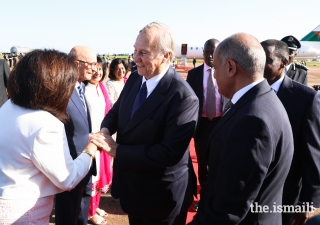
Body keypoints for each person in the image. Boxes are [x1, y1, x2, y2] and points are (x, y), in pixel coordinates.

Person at [94, 22, 199, 225]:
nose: (135, 58)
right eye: (134, 50)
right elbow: (116, 112)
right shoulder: (134, 79)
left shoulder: (183, 96)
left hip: (160, 196)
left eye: (143, 52)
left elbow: (169, 152)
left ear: (166, 56)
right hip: (132, 189)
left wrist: (117, 150)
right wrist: (105, 130)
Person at [189, 33, 294, 225]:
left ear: (230, 67)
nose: (213, 74)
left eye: (215, 69)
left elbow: (227, 210)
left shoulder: (252, 121)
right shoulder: (263, 101)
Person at [0, 49, 99, 224]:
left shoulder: (8, 106)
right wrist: (90, 150)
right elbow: (68, 179)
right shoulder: (46, 124)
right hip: (24, 213)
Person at [261, 39, 320, 225]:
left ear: (284, 63)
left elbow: (313, 153)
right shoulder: (247, 91)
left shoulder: (307, 99)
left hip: (287, 194)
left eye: (267, 60)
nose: (260, 65)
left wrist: (309, 202)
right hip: (250, 190)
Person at [55, 46, 98, 225]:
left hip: (86, 164)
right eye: (90, 64)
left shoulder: (81, 88)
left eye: (95, 64)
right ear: (75, 64)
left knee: (81, 215)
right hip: (70, 167)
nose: (94, 69)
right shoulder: (61, 91)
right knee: (68, 217)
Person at [186, 38, 228, 212]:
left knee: (222, 163)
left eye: (214, 52)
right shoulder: (193, 75)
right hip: (202, 126)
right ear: (203, 53)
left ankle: (219, 198)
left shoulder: (228, 72)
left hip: (223, 124)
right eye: (207, 52)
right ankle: (204, 198)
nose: (210, 56)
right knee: (203, 164)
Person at [84, 56, 113, 225]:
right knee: (92, 178)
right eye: (94, 69)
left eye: (100, 69)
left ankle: (95, 207)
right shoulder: (83, 88)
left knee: (100, 175)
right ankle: (89, 212)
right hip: (90, 139)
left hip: (102, 137)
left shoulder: (101, 87)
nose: (97, 72)